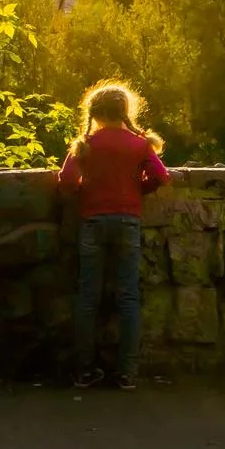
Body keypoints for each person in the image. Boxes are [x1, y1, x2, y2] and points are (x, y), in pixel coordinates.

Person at [58, 79, 170, 390]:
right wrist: (137, 190)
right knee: (128, 297)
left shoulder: (86, 143)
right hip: (128, 221)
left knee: (88, 297)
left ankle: (83, 371)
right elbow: (161, 176)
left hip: (93, 222)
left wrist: (87, 193)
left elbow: (66, 183)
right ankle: (126, 373)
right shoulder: (138, 144)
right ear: (125, 111)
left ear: (93, 112)